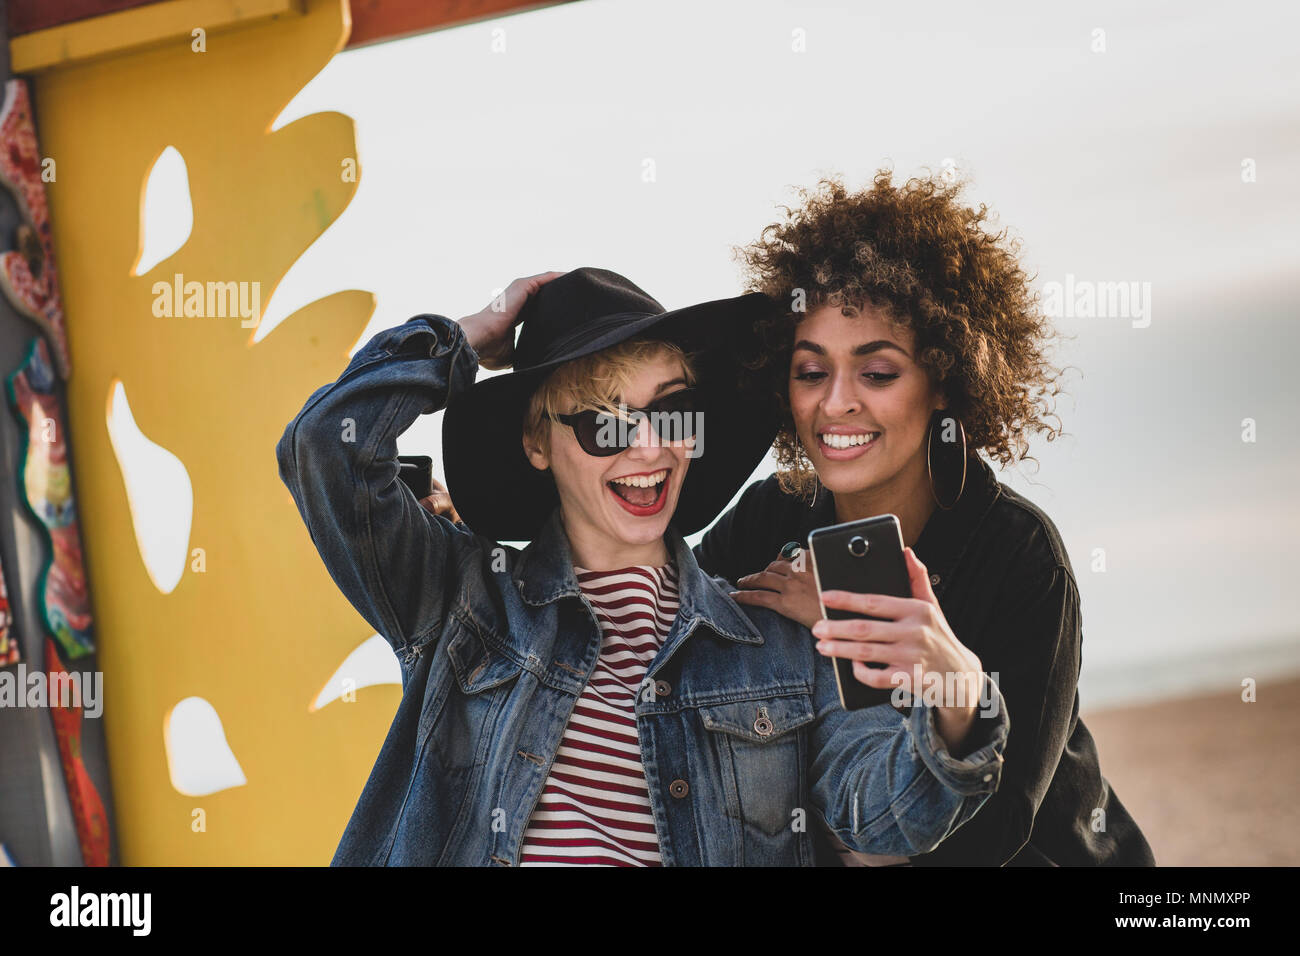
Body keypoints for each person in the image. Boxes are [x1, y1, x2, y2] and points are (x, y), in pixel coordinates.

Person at [275, 266, 1010, 866]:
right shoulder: (460, 601)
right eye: (603, 423)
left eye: (672, 411)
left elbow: (881, 823)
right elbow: (325, 447)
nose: (649, 448)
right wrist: (462, 338)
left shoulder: (778, 645)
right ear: (539, 442)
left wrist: (957, 690)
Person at [694, 171, 1155, 866]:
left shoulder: (1020, 554)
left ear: (943, 379)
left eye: (877, 373)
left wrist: (852, 633)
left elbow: (994, 835)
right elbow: (659, 638)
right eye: (811, 371)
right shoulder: (767, 522)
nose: (836, 403)